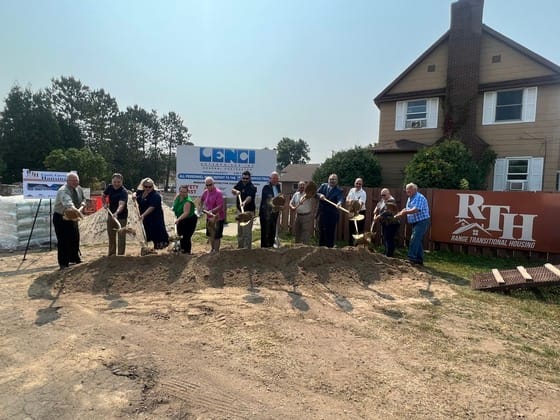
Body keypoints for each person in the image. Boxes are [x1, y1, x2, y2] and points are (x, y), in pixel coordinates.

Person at [53, 172, 85, 270]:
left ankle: (75, 258)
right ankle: (63, 263)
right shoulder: (63, 190)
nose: (75, 182)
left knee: (75, 238)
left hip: (73, 217)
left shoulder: (79, 189)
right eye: (72, 181)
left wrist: (83, 203)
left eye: (76, 180)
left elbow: (83, 199)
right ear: (67, 181)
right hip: (61, 217)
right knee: (63, 240)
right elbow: (68, 203)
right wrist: (77, 211)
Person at [395, 183, 430, 265]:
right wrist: (400, 212)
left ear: (415, 190)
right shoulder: (410, 198)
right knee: (417, 240)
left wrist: (404, 212)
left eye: (409, 189)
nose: (407, 190)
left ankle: (411, 258)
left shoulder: (419, 197)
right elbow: (408, 208)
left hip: (422, 221)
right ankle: (419, 260)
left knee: (414, 238)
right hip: (416, 222)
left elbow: (416, 209)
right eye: (407, 189)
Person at [135, 178, 169, 250]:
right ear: (143, 186)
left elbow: (152, 207)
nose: (147, 188)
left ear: (152, 186)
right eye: (146, 186)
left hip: (155, 218)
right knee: (147, 234)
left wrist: (143, 215)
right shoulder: (140, 193)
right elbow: (135, 194)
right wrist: (134, 196)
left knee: (157, 234)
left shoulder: (155, 195)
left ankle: (159, 250)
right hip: (145, 219)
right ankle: (147, 250)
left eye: (150, 187)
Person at [102, 173, 128, 256]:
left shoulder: (124, 192)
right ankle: (112, 254)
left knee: (121, 236)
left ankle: (120, 255)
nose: (116, 184)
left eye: (118, 182)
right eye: (115, 182)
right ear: (112, 181)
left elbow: (121, 204)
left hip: (121, 217)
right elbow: (103, 195)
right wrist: (104, 203)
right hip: (111, 215)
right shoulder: (109, 187)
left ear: (122, 182)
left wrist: (116, 213)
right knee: (111, 235)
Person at [316, 174, 344, 248]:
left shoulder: (339, 190)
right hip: (322, 213)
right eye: (331, 179)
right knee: (321, 231)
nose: (332, 181)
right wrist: (320, 195)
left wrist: (339, 203)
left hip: (332, 215)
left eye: (334, 179)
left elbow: (340, 198)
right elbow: (315, 194)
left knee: (330, 233)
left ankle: (329, 250)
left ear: (337, 181)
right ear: (328, 180)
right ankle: (321, 248)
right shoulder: (323, 186)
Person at [231, 171, 257, 249]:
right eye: (243, 178)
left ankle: (247, 249)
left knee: (247, 231)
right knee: (240, 230)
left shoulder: (252, 187)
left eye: (247, 178)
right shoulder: (240, 183)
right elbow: (233, 190)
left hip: (248, 212)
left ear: (249, 178)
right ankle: (240, 247)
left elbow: (249, 197)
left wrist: (244, 202)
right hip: (240, 212)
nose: (245, 180)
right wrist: (236, 191)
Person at [199, 176, 225, 253]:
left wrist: (212, 211)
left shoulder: (218, 193)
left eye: (210, 184)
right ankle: (212, 249)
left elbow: (220, 206)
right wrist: (201, 207)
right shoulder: (205, 192)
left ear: (213, 184)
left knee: (217, 236)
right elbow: (201, 200)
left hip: (217, 218)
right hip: (209, 217)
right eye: (207, 185)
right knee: (210, 234)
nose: (209, 186)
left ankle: (216, 251)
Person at [373, 188, 400, 257]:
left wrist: (378, 217)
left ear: (389, 194)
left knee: (389, 238)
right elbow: (378, 204)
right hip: (385, 223)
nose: (382, 196)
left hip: (392, 223)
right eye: (381, 195)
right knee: (385, 238)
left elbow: (387, 212)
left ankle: (389, 255)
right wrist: (375, 210)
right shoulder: (383, 199)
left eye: (384, 195)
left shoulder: (391, 201)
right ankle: (386, 252)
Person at [172, 185, 198, 254]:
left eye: (184, 192)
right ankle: (181, 250)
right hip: (181, 219)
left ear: (187, 192)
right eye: (181, 191)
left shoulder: (187, 201)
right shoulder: (177, 197)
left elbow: (186, 213)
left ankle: (187, 252)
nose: (182, 193)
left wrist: (178, 220)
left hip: (189, 220)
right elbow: (174, 206)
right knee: (180, 235)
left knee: (186, 236)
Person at [259, 171, 282, 248]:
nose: (275, 180)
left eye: (277, 178)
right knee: (266, 232)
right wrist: (276, 202)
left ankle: (271, 247)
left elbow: (280, 197)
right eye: (273, 178)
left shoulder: (278, 186)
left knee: (272, 231)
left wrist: (281, 203)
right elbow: (269, 199)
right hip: (266, 214)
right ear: (270, 179)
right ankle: (264, 249)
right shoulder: (266, 187)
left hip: (274, 213)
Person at [345, 177, 367, 246]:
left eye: (359, 184)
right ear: (354, 183)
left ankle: (358, 247)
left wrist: (354, 205)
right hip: (352, 212)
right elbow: (347, 199)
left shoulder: (363, 193)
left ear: (362, 185)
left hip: (360, 212)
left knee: (359, 230)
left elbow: (360, 205)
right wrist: (350, 202)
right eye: (357, 183)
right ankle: (351, 246)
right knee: (351, 229)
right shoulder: (351, 190)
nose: (358, 185)